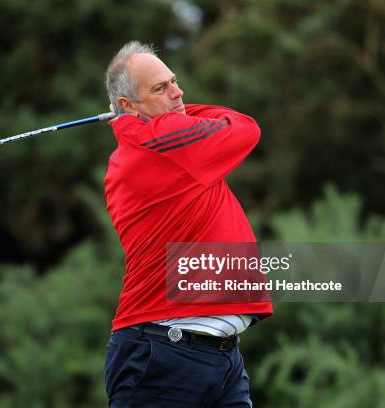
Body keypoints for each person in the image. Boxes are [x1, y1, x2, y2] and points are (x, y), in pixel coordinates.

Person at [103, 41, 274, 407]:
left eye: (175, 81)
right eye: (160, 88)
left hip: (219, 358)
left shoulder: (157, 145)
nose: (178, 92)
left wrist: (153, 112)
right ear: (128, 106)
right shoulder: (163, 146)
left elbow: (214, 124)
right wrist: (165, 115)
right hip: (164, 355)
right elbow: (245, 127)